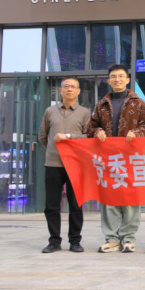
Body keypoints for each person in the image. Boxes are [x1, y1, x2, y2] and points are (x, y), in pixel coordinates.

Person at [87, 64, 145, 253]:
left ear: (127, 79)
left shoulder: (138, 103)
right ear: (108, 80)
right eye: (114, 76)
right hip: (108, 158)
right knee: (109, 198)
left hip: (132, 158)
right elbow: (90, 127)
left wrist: (137, 132)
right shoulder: (101, 104)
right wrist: (98, 131)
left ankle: (128, 238)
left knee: (130, 198)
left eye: (121, 76)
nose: (117, 79)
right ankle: (112, 238)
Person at [37, 77, 91, 253]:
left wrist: (68, 137)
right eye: (66, 86)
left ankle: (75, 241)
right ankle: (54, 241)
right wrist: (54, 150)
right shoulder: (50, 111)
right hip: (53, 164)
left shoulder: (84, 113)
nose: (69, 89)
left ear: (78, 91)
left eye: (73, 87)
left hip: (76, 165)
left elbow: (88, 137)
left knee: (75, 204)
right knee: (51, 205)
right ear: (60, 90)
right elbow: (42, 136)